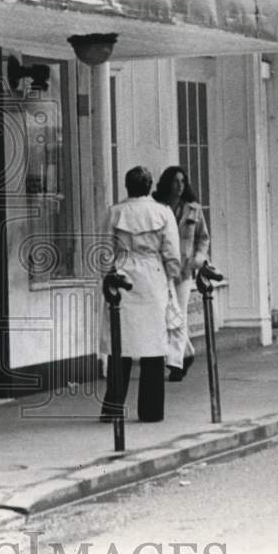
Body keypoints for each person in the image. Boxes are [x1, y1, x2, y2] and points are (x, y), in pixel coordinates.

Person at [100, 166, 181, 424]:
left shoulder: (115, 212)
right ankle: (151, 411)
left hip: (123, 274)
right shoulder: (163, 213)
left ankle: (113, 407)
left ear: (127, 186)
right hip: (153, 276)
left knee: (119, 344)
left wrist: (108, 274)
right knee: (153, 347)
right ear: (149, 186)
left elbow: (104, 251)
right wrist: (171, 278)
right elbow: (172, 252)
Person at [153, 166, 210, 382]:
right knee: (166, 315)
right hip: (162, 269)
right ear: (167, 183)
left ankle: (175, 363)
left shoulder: (193, 209)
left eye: (183, 181)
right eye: (176, 181)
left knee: (180, 314)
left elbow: (203, 237)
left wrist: (197, 261)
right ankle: (187, 353)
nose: (179, 186)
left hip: (184, 270)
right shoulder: (157, 207)